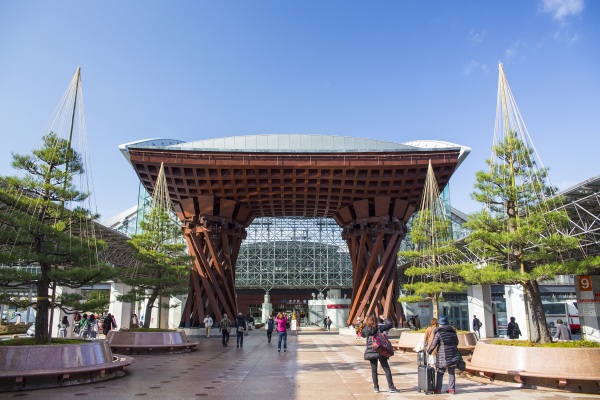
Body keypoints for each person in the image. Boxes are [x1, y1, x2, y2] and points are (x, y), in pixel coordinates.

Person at [361, 315, 398, 393]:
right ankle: (391, 387)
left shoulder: (366, 329)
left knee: (374, 370)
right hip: (380, 349)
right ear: (376, 321)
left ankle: (376, 387)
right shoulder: (378, 327)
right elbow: (390, 325)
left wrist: (364, 323)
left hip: (371, 351)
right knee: (386, 368)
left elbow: (362, 334)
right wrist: (385, 319)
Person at [427, 315, 460, 395]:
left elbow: (433, 344)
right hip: (453, 354)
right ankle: (452, 390)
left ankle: (438, 389)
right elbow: (456, 342)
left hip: (443, 356)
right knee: (451, 372)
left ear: (440, 323)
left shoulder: (438, 333)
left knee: (440, 372)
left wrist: (429, 352)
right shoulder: (452, 331)